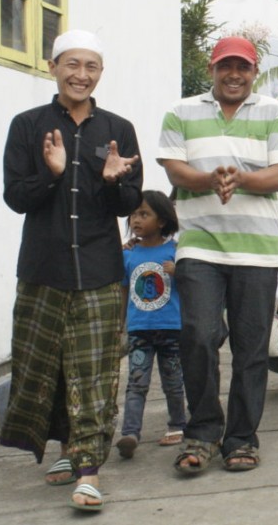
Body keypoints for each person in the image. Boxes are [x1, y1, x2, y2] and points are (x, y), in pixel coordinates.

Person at [0, 30, 142, 511]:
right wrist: (52, 174)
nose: (82, 75)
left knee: (96, 372)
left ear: (100, 73)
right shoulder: (27, 125)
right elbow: (16, 198)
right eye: (72, 64)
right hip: (44, 268)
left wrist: (113, 181)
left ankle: (89, 471)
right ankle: (64, 448)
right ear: (53, 66)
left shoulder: (117, 128)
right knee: (47, 369)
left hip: (100, 270)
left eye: (92, 67)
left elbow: (130, 204)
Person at [159, 36, 278, 474]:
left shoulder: (273, 112)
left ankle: (241, 438)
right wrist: (208, 180)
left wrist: (239, 180)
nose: (233, 74)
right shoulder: (181, 111)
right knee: (197, 335)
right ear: (212, 69)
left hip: (256, 251)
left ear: (254, 72)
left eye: (242, 67)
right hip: (199, 244)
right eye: (225, 66)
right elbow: (173, 168)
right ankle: (201, 433)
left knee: (251, 348)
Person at [116, 191, 186, 459]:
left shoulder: (174, 252)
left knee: (173, 380)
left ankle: (177, 425)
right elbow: (124, 290)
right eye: (133, 214)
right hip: (139, 330)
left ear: (162, 221)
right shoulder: (128, 255)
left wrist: (178, 272)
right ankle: (130, 433)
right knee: (136, 382)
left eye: (144, 214)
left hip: (171, 328)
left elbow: (190, 284)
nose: (136, 220)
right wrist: (120, 323)